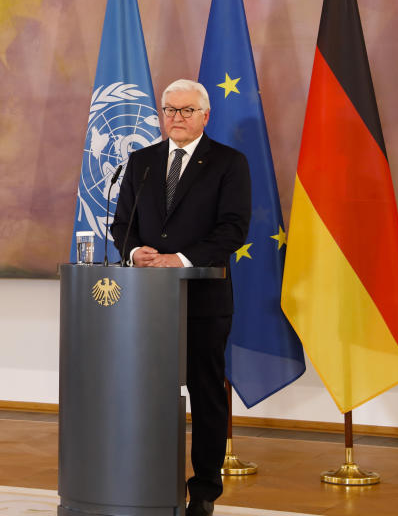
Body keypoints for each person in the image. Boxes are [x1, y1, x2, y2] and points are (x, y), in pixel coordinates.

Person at [110, 79, 251, 516]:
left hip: (204, 298)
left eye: (187, 111)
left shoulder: (228, 163)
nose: (177, 118)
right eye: (170, 110)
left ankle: (205, 489)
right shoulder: (142, 162)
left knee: (206, 393)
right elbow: (122, 224)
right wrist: (136, 252)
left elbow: (232, 228)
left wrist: (181, 258)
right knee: (148, 391)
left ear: (205, 116)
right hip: (146, 302)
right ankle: (146, 476)